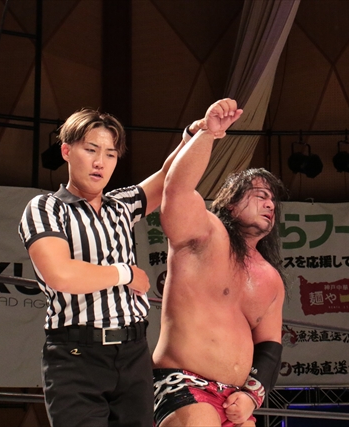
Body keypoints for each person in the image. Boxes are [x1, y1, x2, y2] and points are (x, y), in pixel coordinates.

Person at [17, 100, 235, 427]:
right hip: (76, 353)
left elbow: (169, 177)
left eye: (110, 154)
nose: (100, 162)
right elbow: (60, 274)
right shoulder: (46, 208)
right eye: (91, 150)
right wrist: (124, 274)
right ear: (66, 151)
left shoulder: (120, 206)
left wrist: (200, 133)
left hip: (133, 351)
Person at [152, 100, 287, 426]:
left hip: (234, 399)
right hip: (183, 383)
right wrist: (207, 135)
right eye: (260, 195)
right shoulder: (205, 234)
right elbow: (176, 189)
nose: (270, 204)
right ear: (230, 203)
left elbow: (269, 347)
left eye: (273, 200)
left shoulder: (270, 278)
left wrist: (251, 396)